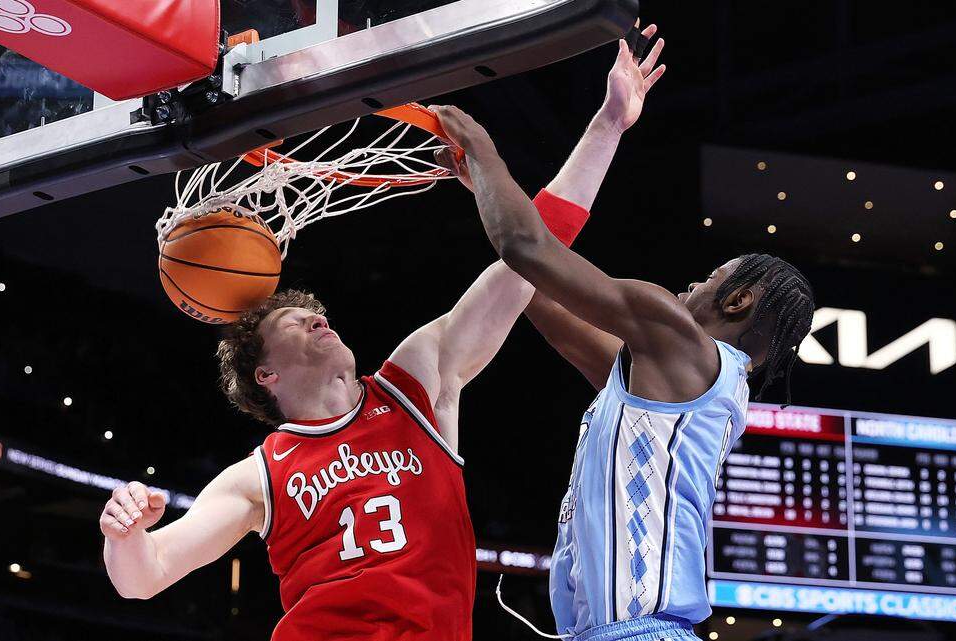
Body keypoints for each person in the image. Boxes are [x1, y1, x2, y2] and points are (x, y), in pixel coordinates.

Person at [96, 25, 663, 641]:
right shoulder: (260, 474)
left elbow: (529, 263)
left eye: (318, 313)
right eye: (296, 320)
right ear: (266, 374)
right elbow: (143, 576)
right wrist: (122, 534)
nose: (320, 317)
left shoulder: (416, 382)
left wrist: (608, 125)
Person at [430, 44, 815, 640]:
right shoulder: (679, 379)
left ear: (738, 301)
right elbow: (537, 290)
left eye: (711, 277)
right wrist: (485, 190)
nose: (693, 281)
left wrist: (484, 149)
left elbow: (527, 249)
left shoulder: (677, 335)